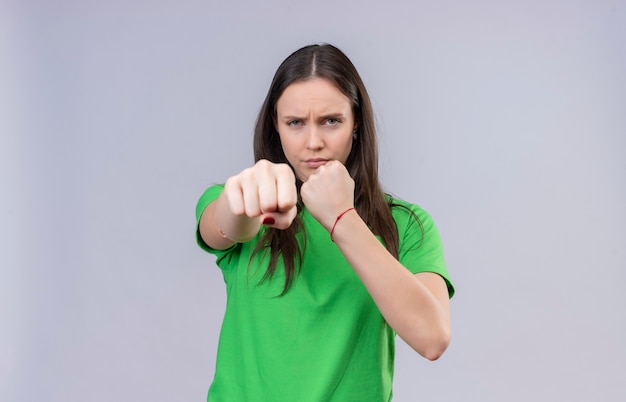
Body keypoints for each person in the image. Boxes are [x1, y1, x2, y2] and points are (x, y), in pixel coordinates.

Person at [195, 43, 454, 402]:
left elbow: (433, 337)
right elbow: (226, 225)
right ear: (276, 125)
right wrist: (246, 199)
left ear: (356, 122)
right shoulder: (246, 199)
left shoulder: (405, 224)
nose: (313, 142)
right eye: (295, 123)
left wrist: (342, 219)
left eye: (331, 121)